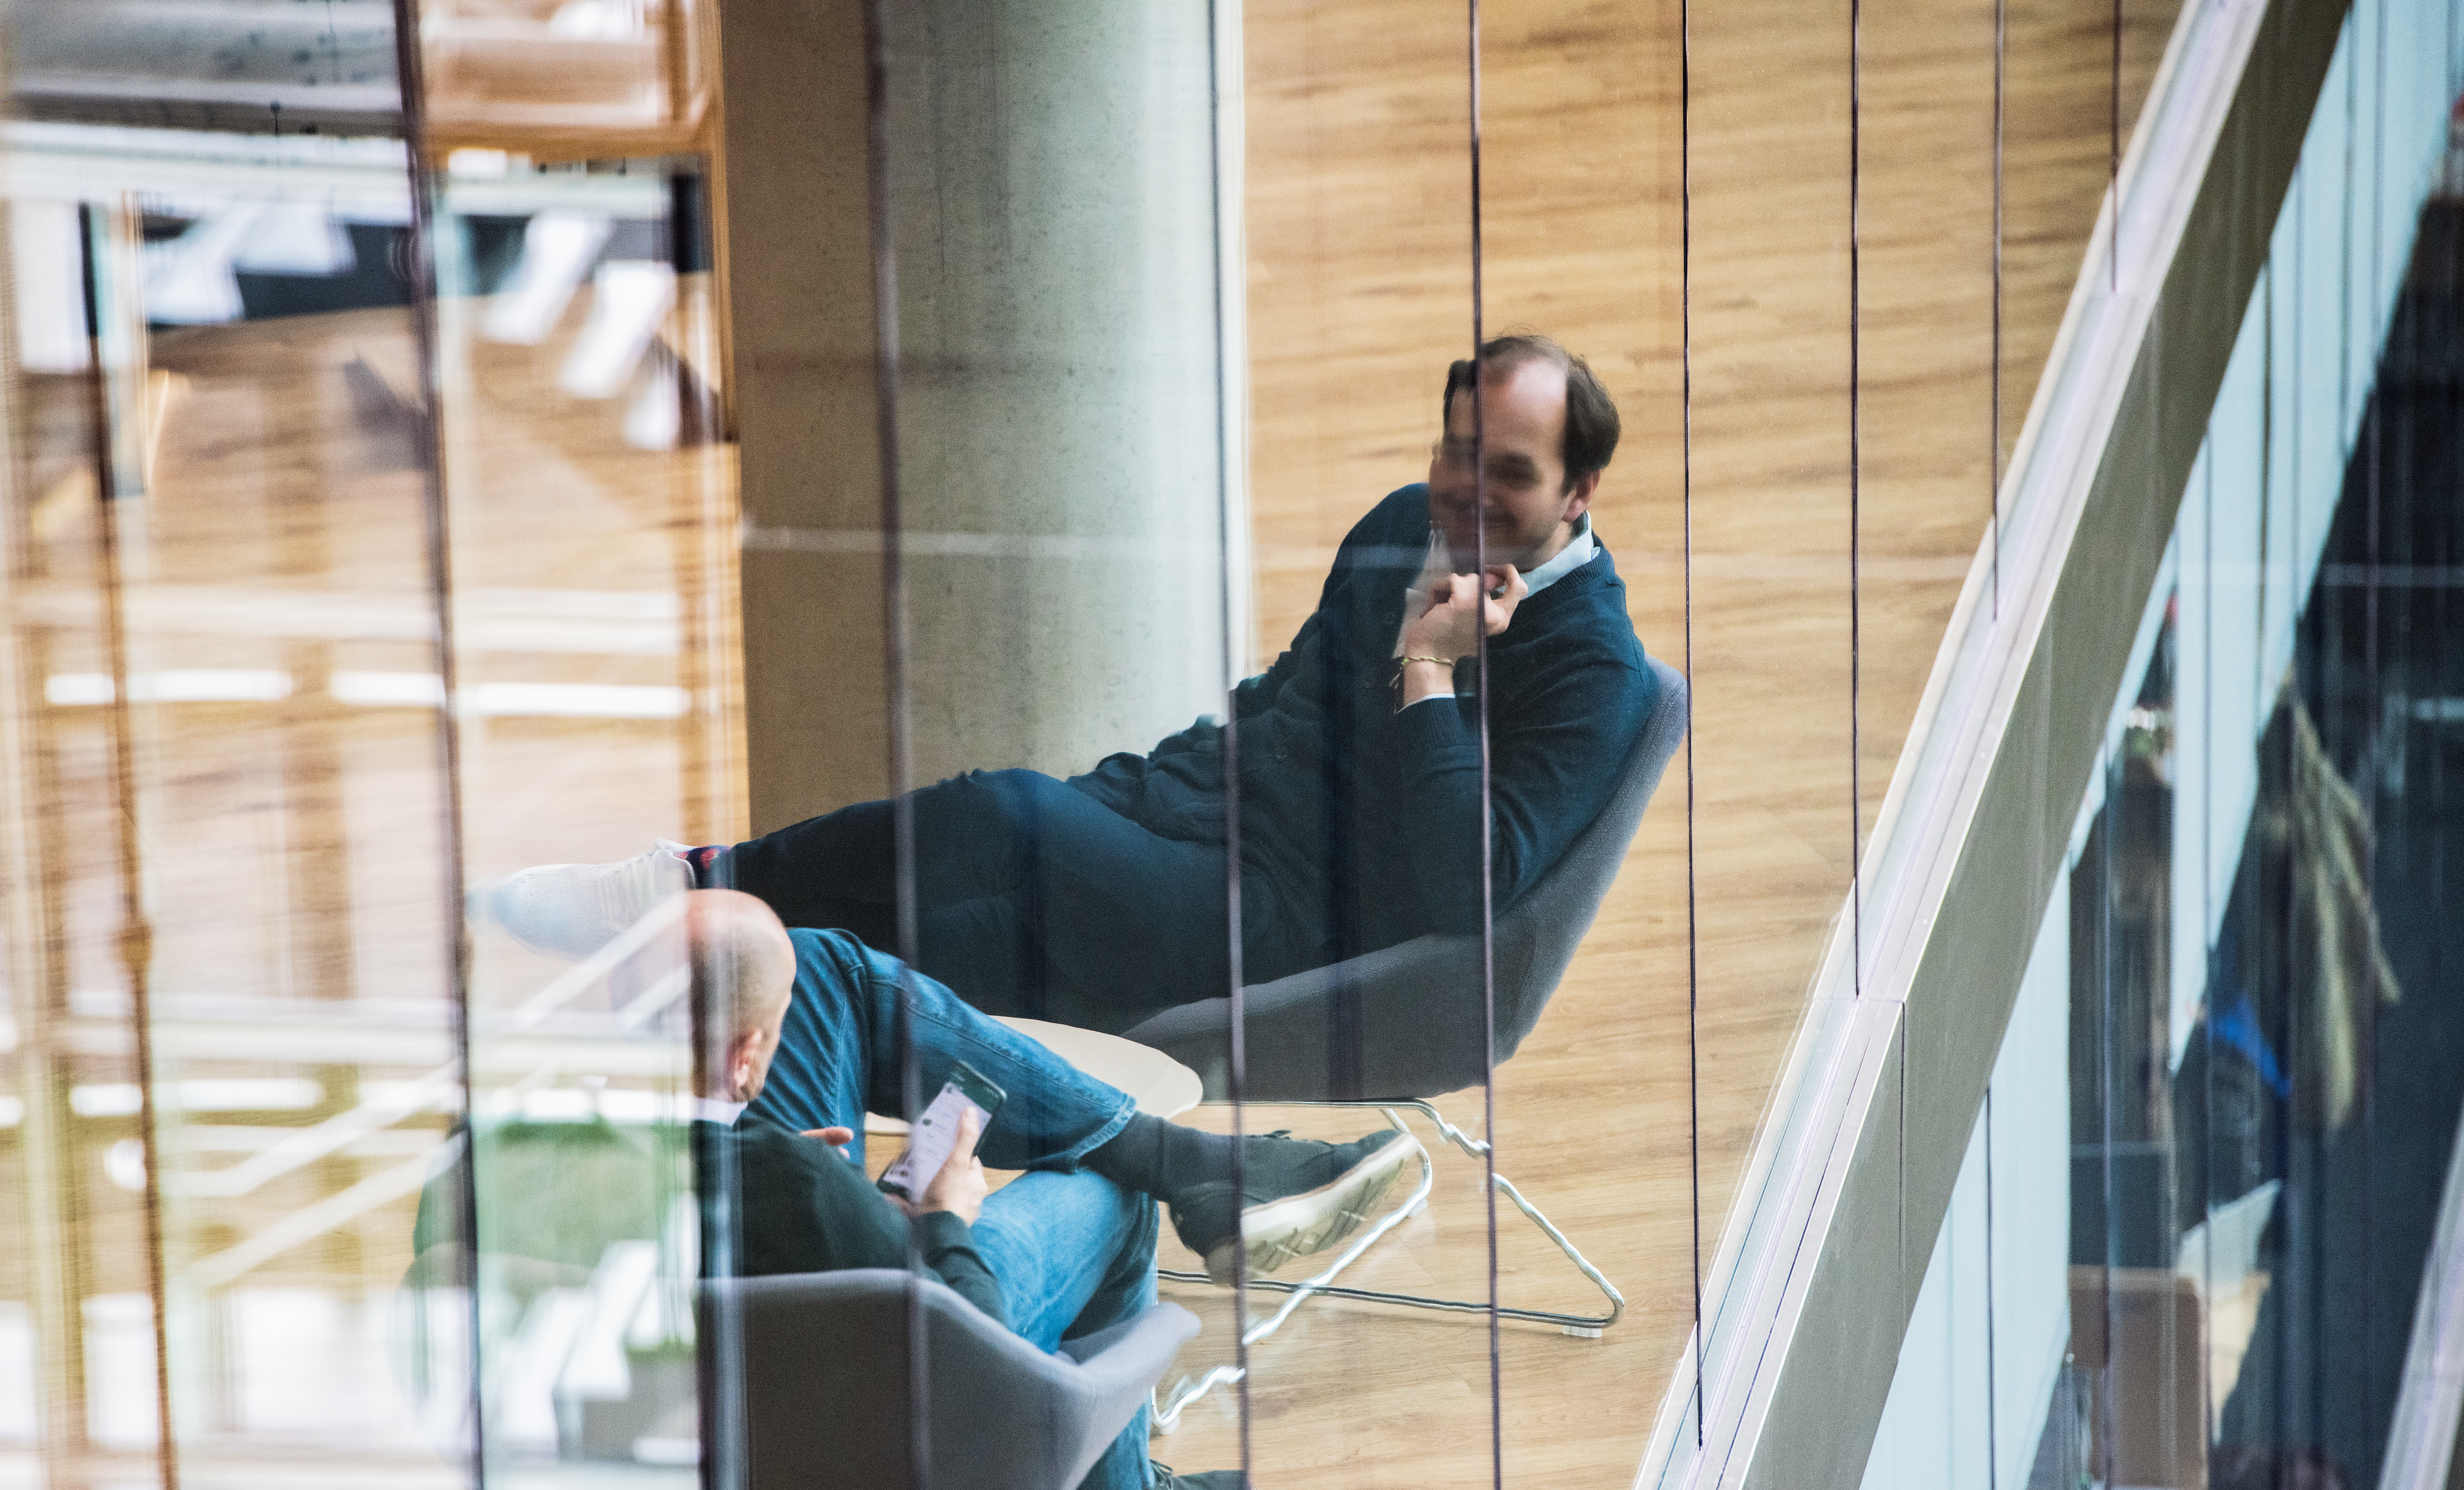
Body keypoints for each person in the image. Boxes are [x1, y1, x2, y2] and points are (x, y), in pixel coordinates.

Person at [479, 334, 1659, 1030]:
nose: (1465, 490)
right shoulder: (1410, 523)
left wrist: (1428, 675)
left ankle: (683, 892)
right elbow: (1286, 703)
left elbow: (1467, 889)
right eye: (1457, 451)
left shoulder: (1595, 674)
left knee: (1002, 817)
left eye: (1507, 471)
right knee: (930, 940)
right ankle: (661, 981)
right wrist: (1153, 787)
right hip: (1197, 828)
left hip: (1309, 935)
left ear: (1580, 492)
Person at [445, 889, 1421, 1490]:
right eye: (770, 1041)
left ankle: (1189, 1164)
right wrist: (944, 1217)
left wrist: (807, 1181)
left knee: (823, 966)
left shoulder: (489, 1155)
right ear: (749, 1057)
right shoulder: (803, 1191)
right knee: (1103, 1192)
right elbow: (974, 1371)